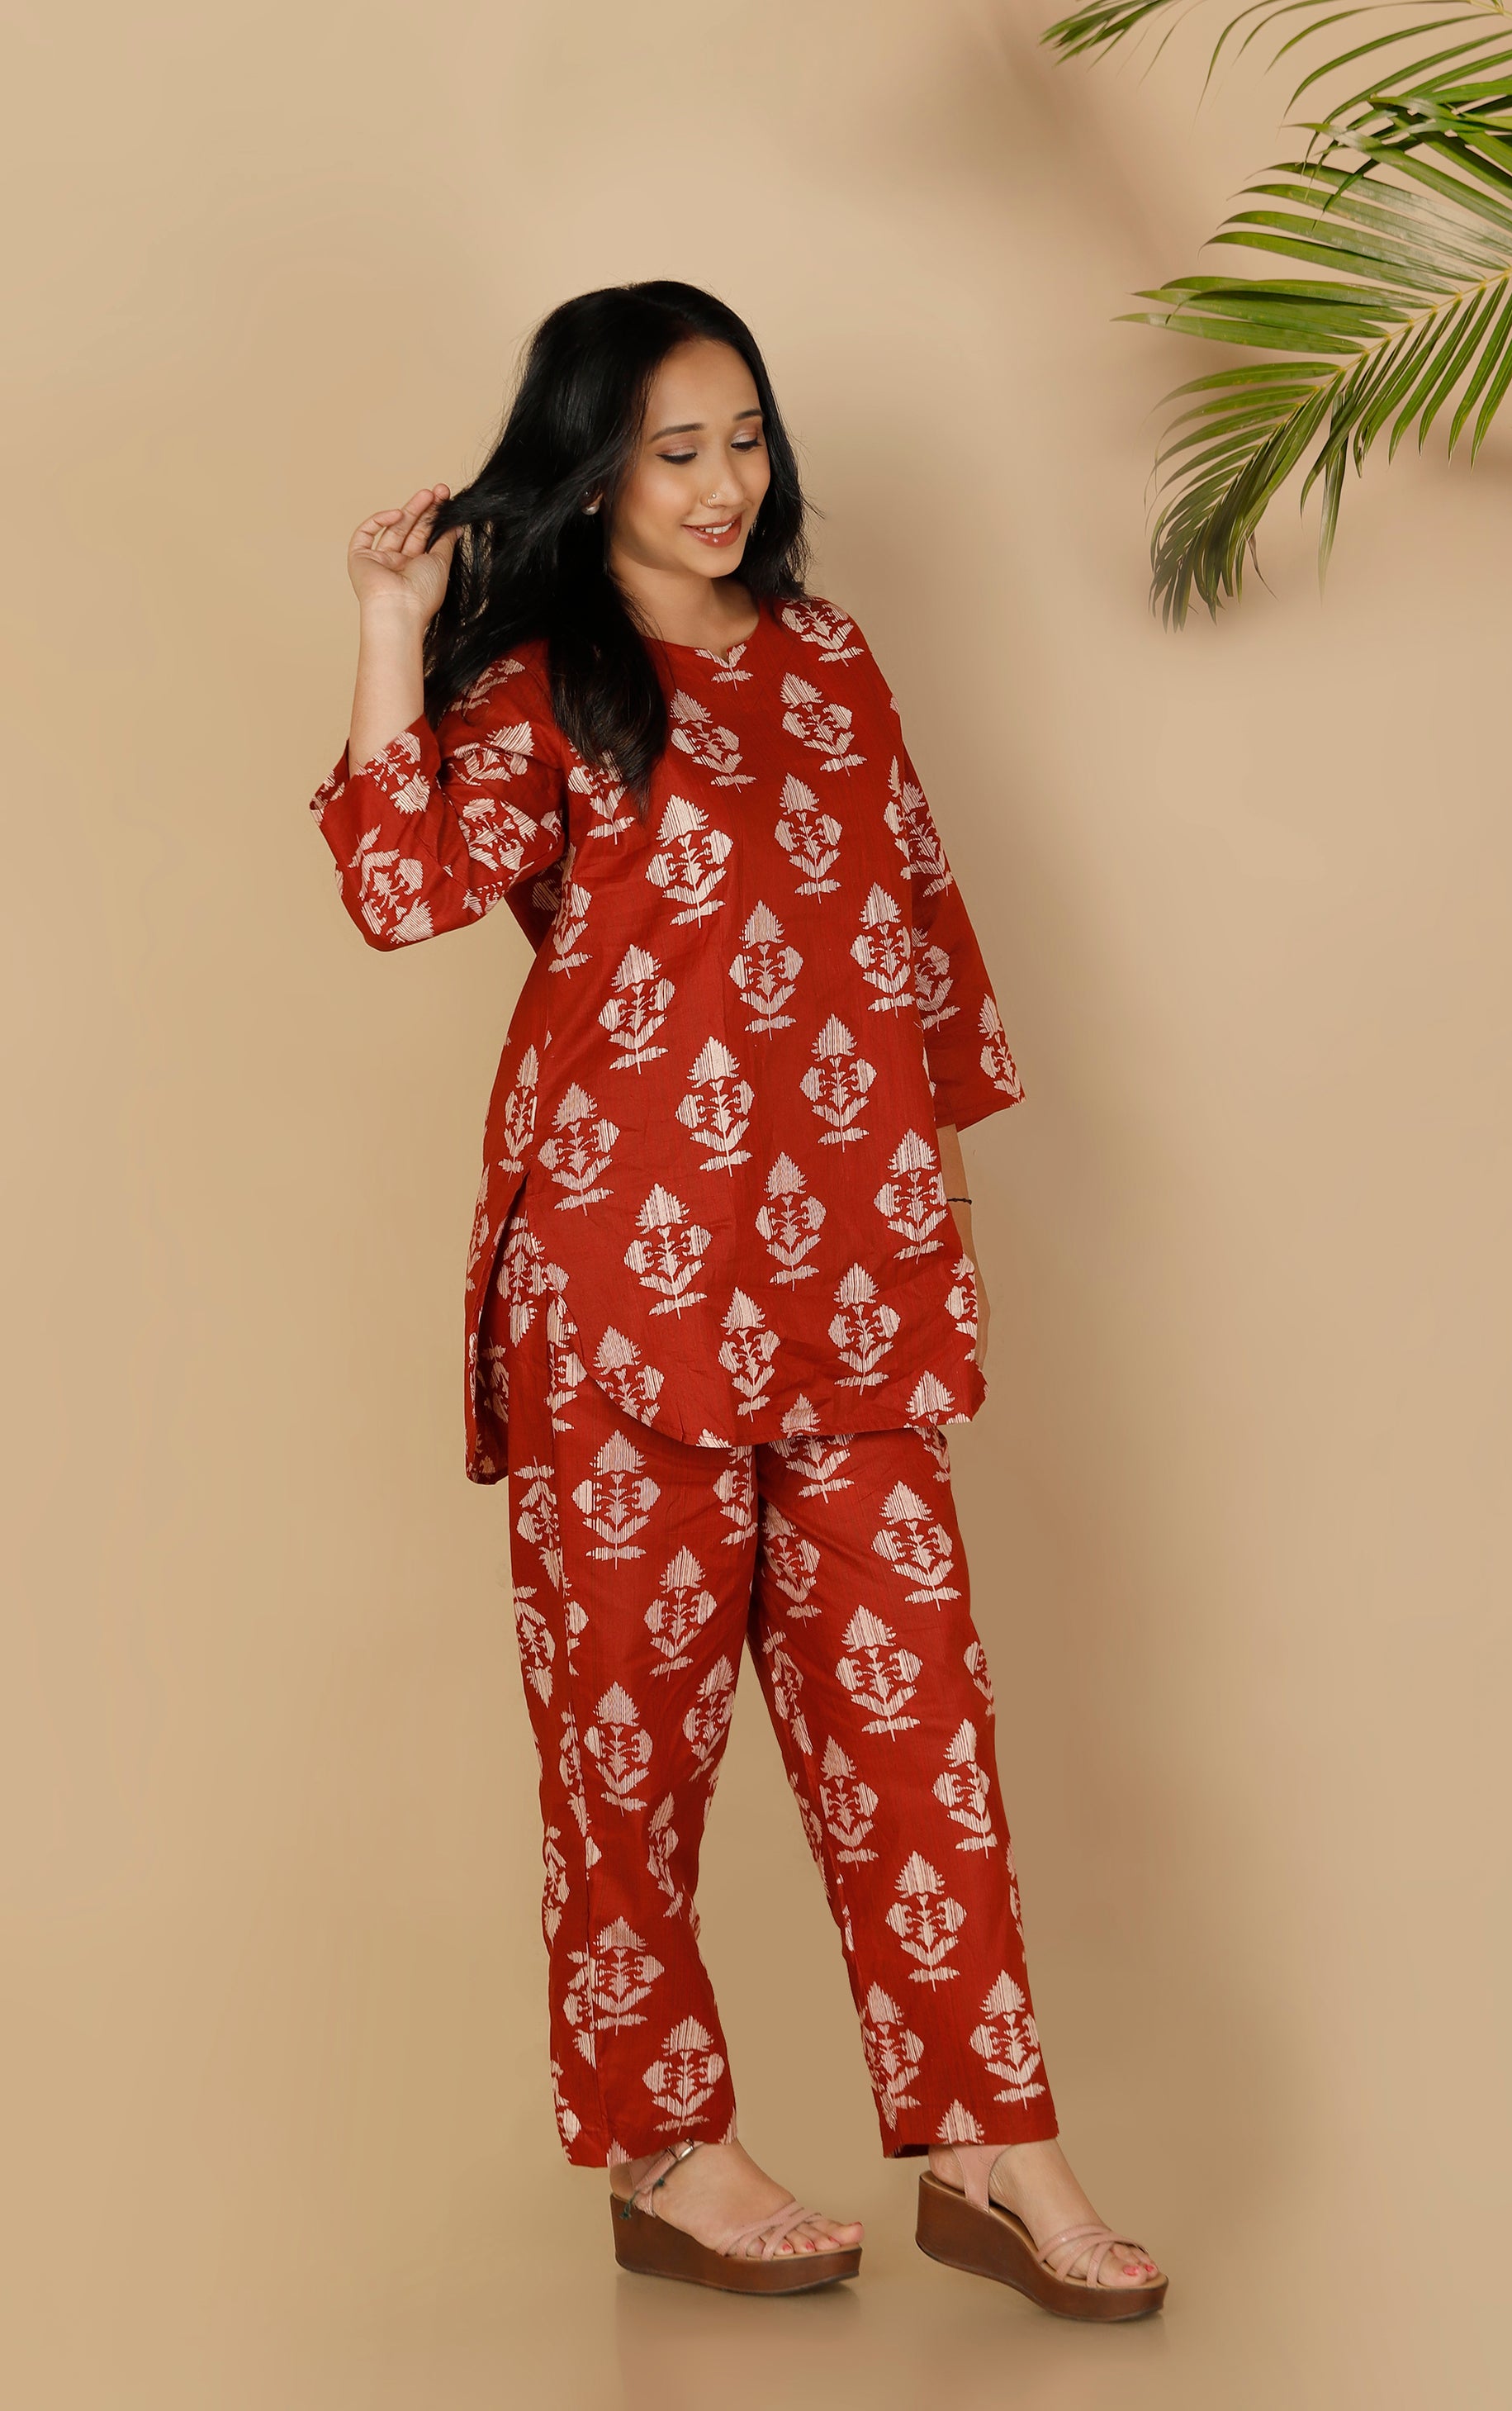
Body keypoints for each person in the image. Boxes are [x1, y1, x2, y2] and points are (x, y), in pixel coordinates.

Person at [306, 280, 1164, 2318]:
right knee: (627, 1747)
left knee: (917, 1726)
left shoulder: (835, 661)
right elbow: (393, 886)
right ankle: (666, 2145)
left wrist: (930, 1208)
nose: (719, 484)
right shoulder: (538, 684)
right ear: (590, 460)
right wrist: (384, 635)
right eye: (674, 448)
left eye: (746, 439)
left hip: (853, 1284)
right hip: (621, 1289)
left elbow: (918, 922)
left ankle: (994, 2138)